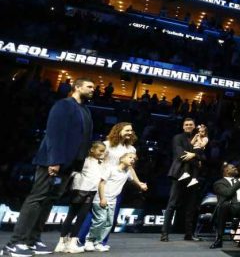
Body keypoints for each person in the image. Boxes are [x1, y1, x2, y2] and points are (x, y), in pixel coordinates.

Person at [4, 78, 94, 257]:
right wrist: (55, 160)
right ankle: (15, 243)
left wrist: (77, 164)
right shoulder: (64, 105)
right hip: (53, 161)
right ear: (77, 87)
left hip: (68, 165)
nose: (93, 89)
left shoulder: (84, 109)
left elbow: (82, 139)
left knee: (49, 200)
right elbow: (54, 134)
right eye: (89, 86)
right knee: (37, 198)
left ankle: (32, 240)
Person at [78, 122, 149, 250]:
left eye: (131, 131)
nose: (130, 132)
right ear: (118, 131)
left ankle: (101, 242)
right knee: (95, 215)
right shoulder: (106, 145)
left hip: (118, 185)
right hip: (102, 183)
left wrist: (138, 183)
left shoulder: (131, 149)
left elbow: (130, 169)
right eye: (127, 130)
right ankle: (81, 241)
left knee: (111, 217)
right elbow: (96, 161)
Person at [55, 142, 105, 254]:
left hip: (91, 193)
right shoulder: (84, 161)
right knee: (71, 216)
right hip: (79, 191)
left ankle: (72, 242)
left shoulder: (100, 163)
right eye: (100, 150)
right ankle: (61, 243)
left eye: (103, 151)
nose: (102, 153)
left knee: (81, 218)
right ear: (92, 150)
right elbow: (73, 173)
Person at [160, 118, 204, 242]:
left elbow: (204, 156)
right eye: (186, 124)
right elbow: (181, 155)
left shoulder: (199, 139)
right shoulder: (178, 138)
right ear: (183, 126)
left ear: (194, 126)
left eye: (191, 124)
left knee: (191, 206)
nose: (189, 126)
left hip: (194, 175)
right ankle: (164, 234)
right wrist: (195, 155)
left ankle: (188, 234)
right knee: (172, 204)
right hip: (180, 174)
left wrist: (195, 155)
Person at [85, 152, 138, 252]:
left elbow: (133, 179)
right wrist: (102, 198)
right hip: (101, 198)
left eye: (134, 159)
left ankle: (98, 243)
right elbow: (101, 183)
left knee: (109, 223)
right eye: (130, 157)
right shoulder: (111, 169)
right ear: (122, 159)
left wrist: (140, 184)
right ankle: (89, 241)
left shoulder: (127, 172)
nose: (132, 160)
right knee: (100, 220)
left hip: (113, 200)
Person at [209, 163, 240, 249]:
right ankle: (219, 239)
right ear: (226, 170)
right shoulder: (219, 183)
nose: (235, 168)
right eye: (233, 167)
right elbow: (228, 193)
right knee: (224, 205)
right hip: (229, 209)